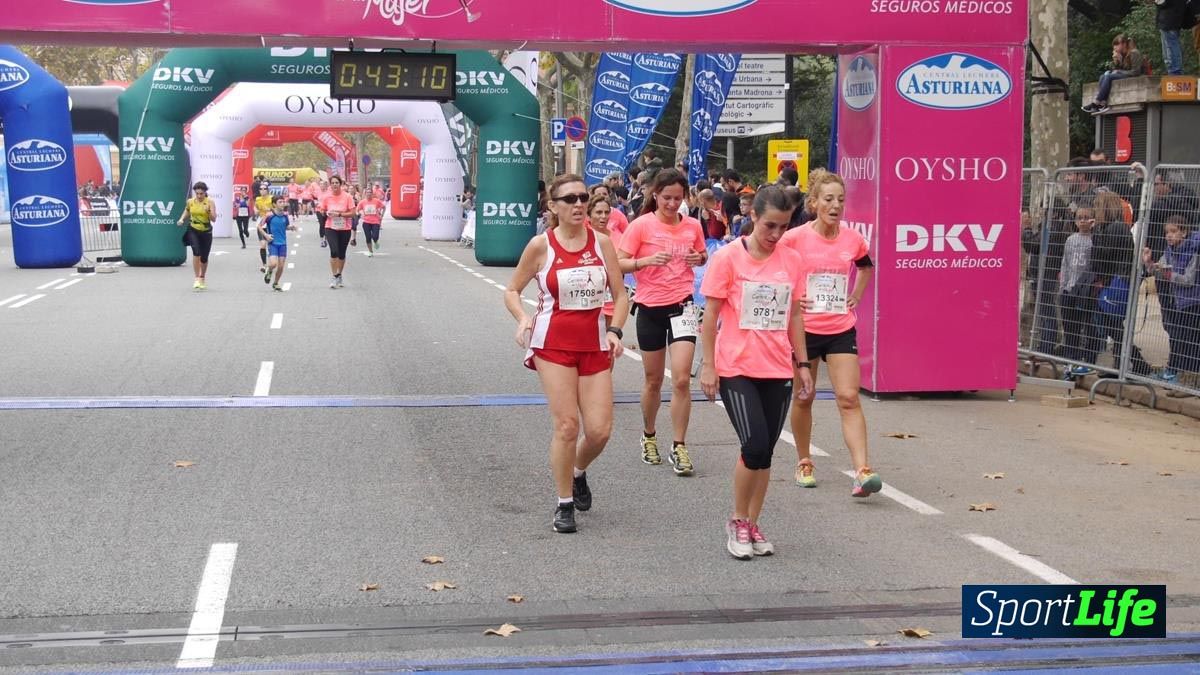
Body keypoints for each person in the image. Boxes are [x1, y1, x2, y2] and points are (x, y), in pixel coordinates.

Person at [504, 174, 629, 534]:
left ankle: (577, 472)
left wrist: (615, 332)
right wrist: (522, 318)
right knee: (567, 425)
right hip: (552, 343)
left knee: (601, 431)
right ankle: (564, 503)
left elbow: (621, 296)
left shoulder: (602, 243)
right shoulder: (540, 246)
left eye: (583, 198)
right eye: (570, 199)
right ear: (553, 207)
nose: (578, 204)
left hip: (593, 344)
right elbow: (512, 289)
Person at [699, 185, 814, 559]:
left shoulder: (791, 261)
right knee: (754, 445)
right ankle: (736, 519)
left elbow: (795, 314)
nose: (776, 235)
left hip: (778, 365)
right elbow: (712, 315)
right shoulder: (729, 258)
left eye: (783, 227)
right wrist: (709, 365)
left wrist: (802, 363)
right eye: (769, 226)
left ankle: (752, 521)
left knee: (765, 453)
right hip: (736, 366)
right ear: (752, 217)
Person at [779, 171, 881, 497]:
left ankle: (862, 470)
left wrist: (857, 295)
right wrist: (793, 297)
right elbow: (771, 265)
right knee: (804, 396)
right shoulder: (794, 238)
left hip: (840, 327)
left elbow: (866, 266)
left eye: (840, 199)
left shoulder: (852, 239)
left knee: (849, 398)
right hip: (804, 329)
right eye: (828, 199)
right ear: (813, 204)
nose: (835, 205)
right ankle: (804, 460)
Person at [617, 168, 708, 476]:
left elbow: (701, 253)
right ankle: (649, 435)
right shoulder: (641, 225)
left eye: (678, 199)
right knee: (654, 380)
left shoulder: (693, 225)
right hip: (649, 307)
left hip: (682, 306)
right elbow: (619, 262)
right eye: (667, 198)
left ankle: (680, 445)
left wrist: (700, 259)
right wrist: (644, 262)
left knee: (682, 379)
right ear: (655, 195)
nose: (672, 204)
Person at [1143, 215, 1200, 383]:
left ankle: (1191, 380)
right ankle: (1182, 376)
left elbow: (1189, 279)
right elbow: (1158, 270)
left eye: (1173, 231)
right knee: (1179, 339)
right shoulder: (1169, 251)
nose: (1169, 235)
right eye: (1167, 232)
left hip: (1193, 302)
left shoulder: (1193, 252)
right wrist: (1149, 264)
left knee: (1189, 341)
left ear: (1184, 232)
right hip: (1177, 301)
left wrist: (1168, 274)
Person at [1059, 206, 1100, 375]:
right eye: (1079, 217)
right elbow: (1065, 263)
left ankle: (1089, 360)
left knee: (1088, 325)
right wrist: (1063, 286)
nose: (1082, 220)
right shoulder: (1070, 240)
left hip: (1086, 290)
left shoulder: (1094, 240)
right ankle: (1071, 359)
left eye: (1086, 217)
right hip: (1070, 288)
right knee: (1070, 327)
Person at [1082, 35, 1146, 115]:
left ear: (1124, 44)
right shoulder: (1122, 54)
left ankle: (1097, 102)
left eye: (1116, 44)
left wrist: (1119, 72)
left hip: (1136, 77)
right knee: (1103, 76)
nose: (1114, 47)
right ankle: (1102, 104)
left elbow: (1136, 72)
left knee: (1108, 76)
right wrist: (1117, 61)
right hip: (1127, 76)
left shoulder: (1134, 53)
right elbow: (1119, 70)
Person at [586, 194, 624, 327]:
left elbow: (623, 264)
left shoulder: (618, 238)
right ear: (588, 216)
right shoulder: (580, 237)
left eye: (606, 212)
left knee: (609, 340)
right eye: (598, 212)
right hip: (586, 298)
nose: (603, 216)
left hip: (611, 296)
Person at [176, 181, 217, 291]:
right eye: (197, 193)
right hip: (193, 229)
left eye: (201, 194)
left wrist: (208, 212)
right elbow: (187, 211)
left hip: (206, 231)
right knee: (196, 252)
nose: (199, 196)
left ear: (205, 193)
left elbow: (214, 219)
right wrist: (181, 219)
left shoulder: (210, 202)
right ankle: (196, 278)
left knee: (204, 257)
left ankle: (202, 277)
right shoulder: (190, 201)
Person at [320, 176, 356, 288]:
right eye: (332, 183)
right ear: (330, 185)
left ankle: (339, 274)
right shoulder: (326, 197)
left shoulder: (347, 197)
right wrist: (324, 212)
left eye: (336, 183)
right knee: (334, 251)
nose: (334, 185)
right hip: (330, 227)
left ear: (340, 184)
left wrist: (340, 214)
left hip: (344, 228)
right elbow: (322, 209)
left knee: (341, 254)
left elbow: (353, 213)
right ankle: (334, 275)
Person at [258, 196, 295, 291]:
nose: (282, 203)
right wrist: (266, 235)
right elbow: (259, 226)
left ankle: (276, 283)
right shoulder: (269, 215)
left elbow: (285, 227)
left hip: (283, 243)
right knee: (273, 264)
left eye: (283, 202)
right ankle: (269, 271)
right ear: (274, 204)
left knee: (281, 266)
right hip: (273, 243)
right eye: (280, 202)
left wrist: (291, 227)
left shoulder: (285, 216)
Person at [357, 188, 386, 256]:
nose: (369, 194)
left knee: (375, 236)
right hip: (366, 222)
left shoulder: (376, 201)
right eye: (367, 192)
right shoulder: (362, 202)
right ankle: (370, 251)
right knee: (368, 237)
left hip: (375, 221)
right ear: (365, 194)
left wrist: (382, 215)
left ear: (372, 194)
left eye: (370, 192)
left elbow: (384, 207)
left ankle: (375, 241)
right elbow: (357, 210)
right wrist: (359, 214)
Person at [254, 185, 275, 272]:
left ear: (267, 190)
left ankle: (272, 262)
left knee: (271, 244)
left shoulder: (271, 198)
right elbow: (255, 206)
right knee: (263, 245)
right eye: (261, 189)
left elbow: (277, 208)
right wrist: (256, 210)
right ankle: (264, 265)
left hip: (270, 222)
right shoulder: (258, 199)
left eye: (264, 189)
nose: (262, 190)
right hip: (261, 223)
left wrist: (270, 209)